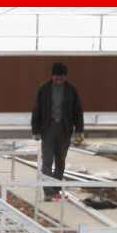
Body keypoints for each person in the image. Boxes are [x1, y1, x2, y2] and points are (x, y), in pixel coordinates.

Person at [31, 62, 85, 201]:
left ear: (65, 77)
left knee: (60, 161)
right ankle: (48, 192)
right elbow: (37, 109)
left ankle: (56, 190)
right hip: (48, 128)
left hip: (64, 129)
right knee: (47, 161)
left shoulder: (71, 90)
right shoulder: (44, 89)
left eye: (61, 78)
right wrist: (35, 130)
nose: (59, 80)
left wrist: (79, 131)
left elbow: (78, 111)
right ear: (52, 76)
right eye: (56, 77)